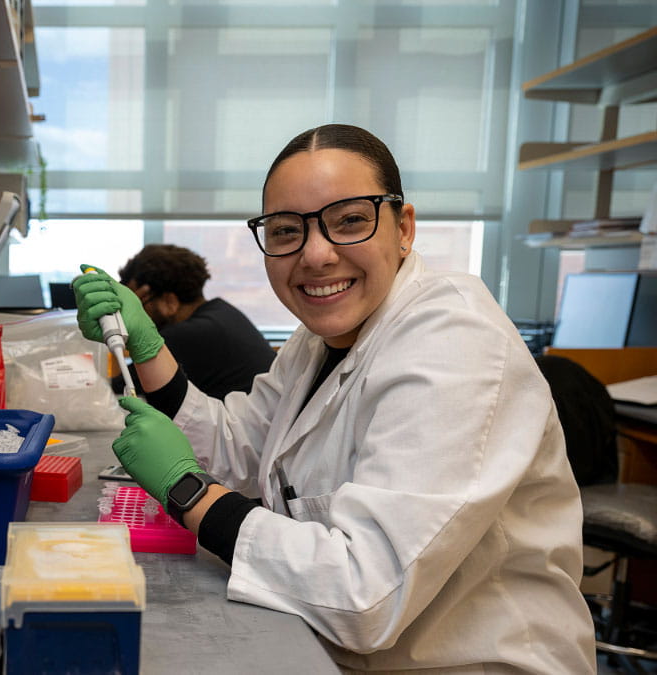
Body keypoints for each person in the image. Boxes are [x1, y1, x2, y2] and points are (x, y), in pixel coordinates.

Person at [73, 124, 595, 673]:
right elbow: (240, 449)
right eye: (285, 231)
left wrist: (188, 494)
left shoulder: (455, 342)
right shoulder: (320, 339)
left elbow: (366, 592)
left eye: (349, 221)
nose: (316, 255)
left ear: (404, 228)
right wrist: (149, 346)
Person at [114, 244, 276, 400]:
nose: (131, 313)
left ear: (169, 302)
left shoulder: (187, 335)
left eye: (138, 303)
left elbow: (122, 388)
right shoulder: (221, 313)